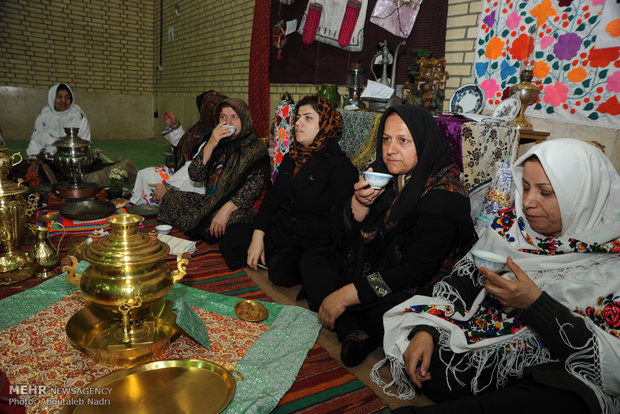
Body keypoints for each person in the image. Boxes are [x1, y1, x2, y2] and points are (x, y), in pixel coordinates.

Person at [378, 139, 620, 413]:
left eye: (546, 192)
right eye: (525, 188)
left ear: (582, 196)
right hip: (489, 347)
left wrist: (534, 304)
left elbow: (609, 367)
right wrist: (427, 331)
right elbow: (460, 288)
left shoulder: (612, 262)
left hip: (551, 374)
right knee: (396, 310)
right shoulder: (513, 228)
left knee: (561, 400)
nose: (528, 202)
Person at [300, 104, 475, 367]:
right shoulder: (384, 175)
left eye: (403, 140)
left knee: (387, 310)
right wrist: (359, 203)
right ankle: (351, 327)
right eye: (386, 139)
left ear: (424, 142)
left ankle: (350, 318)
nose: (391, 149)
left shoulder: (444, 196)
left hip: (417, 285)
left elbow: (415, 272)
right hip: (377, 266)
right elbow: (341, 235)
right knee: (312, 259)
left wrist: (349, 293)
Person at [219, 95, 358, 283]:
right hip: (281, 232)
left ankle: (275, 261)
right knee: (232, 237)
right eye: (298, 117)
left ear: (325, 124)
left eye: (308, 118)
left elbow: (342, 223)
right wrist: (258, 235)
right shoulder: (292, 157)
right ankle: (266, 256)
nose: (298, 123)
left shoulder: (339, 166)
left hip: (310, 242)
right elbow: (272, 199)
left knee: (280, 271)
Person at [158, 98, 270, 243]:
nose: (228, 123)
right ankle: (207, 228)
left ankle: (207, 227)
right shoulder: (218, 142)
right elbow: (195, 175)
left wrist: (225, 210)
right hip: (211, 202)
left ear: (244, 118)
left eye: (234, 117)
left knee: (235, 220)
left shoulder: (256, 150)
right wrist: (210, 144)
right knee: (171, 199)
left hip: (237, 206)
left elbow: (249, 191)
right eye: (223, 117)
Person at [130, 91, 227, 205]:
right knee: (145, 174)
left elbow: (193, 165)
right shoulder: (202, 128)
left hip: (196, 184)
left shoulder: (217, 135)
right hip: (182, 174)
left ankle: (154, 209)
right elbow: (188, 146)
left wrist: (167, 187)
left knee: (150, 180)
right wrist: (175, 126)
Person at [26, 83, 91, 174]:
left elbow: (85, 143)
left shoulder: (78, 116)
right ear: (52, 98)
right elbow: (36, 141)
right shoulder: (44, 115)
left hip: (73, 161)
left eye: (67, 98)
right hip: (48, 160)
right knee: (21, 172)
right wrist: (33, 163)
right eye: (59, 97)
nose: (63, 101)